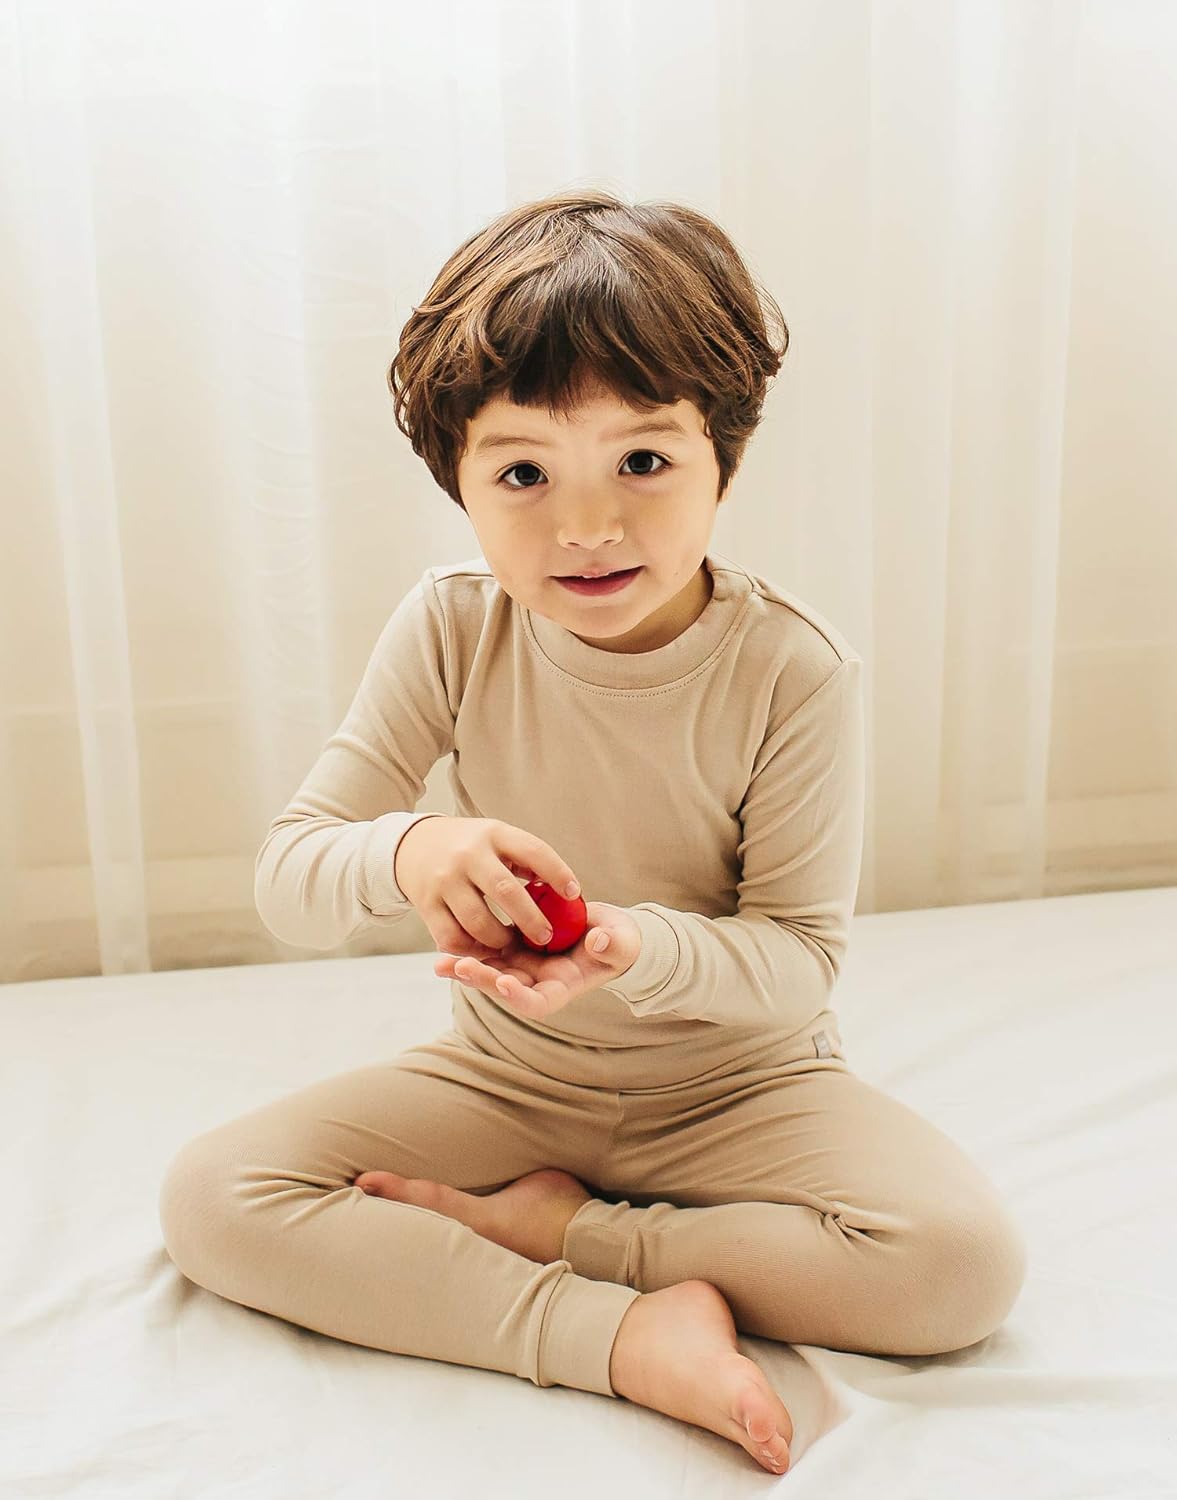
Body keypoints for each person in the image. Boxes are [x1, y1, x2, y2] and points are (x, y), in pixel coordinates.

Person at [158, 188, 1027, 1477]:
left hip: (741, 1085)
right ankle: (618, 1339)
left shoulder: (794, 670)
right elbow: (291, 874)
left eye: (644, 461)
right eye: (523, 473)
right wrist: (406, 851)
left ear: (724, 458)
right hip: (509, 1081)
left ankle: (559, 1236)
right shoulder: (451, 627)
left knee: (958, 1269)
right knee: (214, 1197)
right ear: (458, 483)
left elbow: (798, 962)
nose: (587, 527)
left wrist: (631, 948)